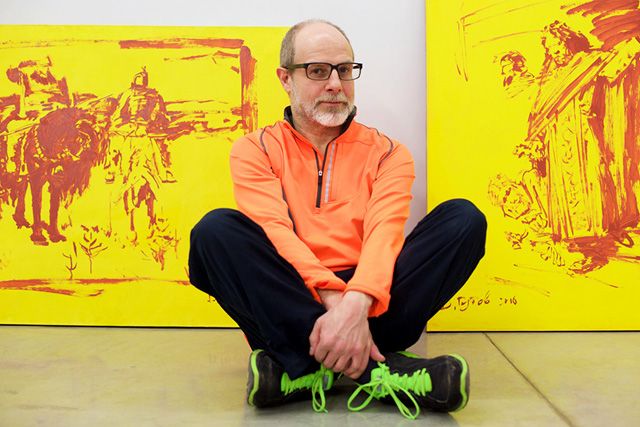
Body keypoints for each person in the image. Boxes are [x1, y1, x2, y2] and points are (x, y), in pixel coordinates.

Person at [188, 19, 486, 419]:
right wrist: (335, 303)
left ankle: (301, 368)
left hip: (373, 304)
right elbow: (276, 231)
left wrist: (356, 305)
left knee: (463, 220)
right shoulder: (253, 149)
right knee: (214, 232)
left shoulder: (389, 153)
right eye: (317, 71)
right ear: (285, 79)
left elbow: (384, 234)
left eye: (344, 70)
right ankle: (378, 371)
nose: (335, 84)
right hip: (288, 296)